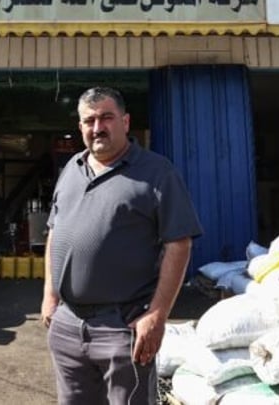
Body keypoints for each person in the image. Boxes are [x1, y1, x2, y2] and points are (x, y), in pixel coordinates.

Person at [40, 86, 203, 404]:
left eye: (106, 118)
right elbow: (54, 233)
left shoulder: (156, 172)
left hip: (122, 326)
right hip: (68, 324)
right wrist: (50, 296)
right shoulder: (71, 169)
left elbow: (179, 244)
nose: (97, 127)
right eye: (89, 120)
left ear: (125, 122)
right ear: (80, 127)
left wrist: (157, 315)